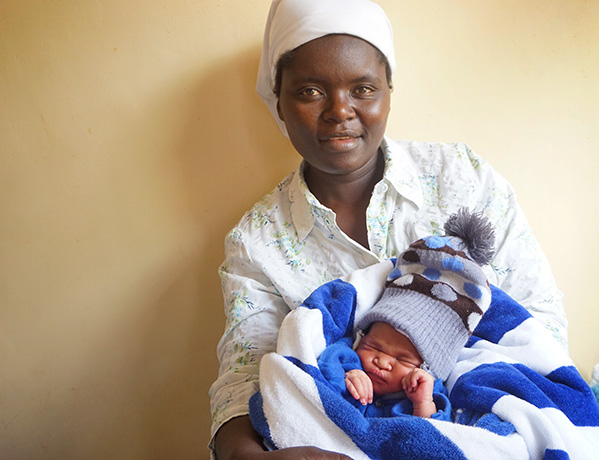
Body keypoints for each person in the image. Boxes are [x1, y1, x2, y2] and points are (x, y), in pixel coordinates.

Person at [209, 1, 568, 459]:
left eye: (363, 88)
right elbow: (244, 381)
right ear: (278, 101)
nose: (340, 110)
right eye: (311, 91)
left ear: (389, 92)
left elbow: (540, 327)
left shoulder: (463, 179)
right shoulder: (258, 241)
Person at [323, 208, 495, 421]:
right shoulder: (347, 356)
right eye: (373, 346)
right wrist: (349, 374)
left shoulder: (427, 393)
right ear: (362, 337)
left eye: (403, 359)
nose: (383, 362)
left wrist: (422, 403)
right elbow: (327, 362)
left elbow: (433, 438)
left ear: (428, 369)